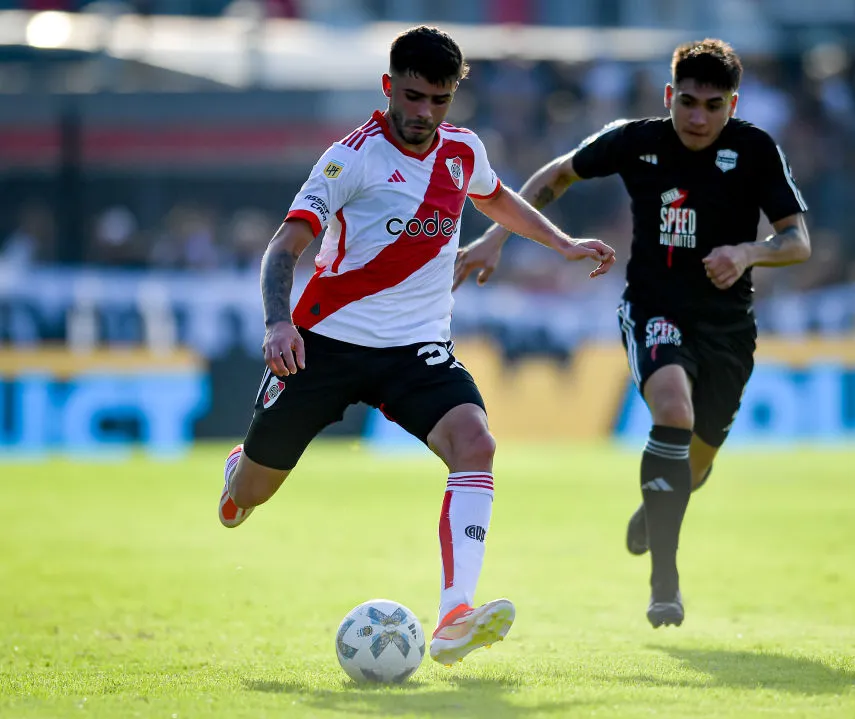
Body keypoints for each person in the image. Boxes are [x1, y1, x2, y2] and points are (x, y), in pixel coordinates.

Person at [217, 25, 615, 665]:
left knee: (475, 442)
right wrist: (276, 323)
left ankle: (455, 613)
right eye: (411, 96)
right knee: (252, 497)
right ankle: (243, 469)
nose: (422, 113)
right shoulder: (350, 159)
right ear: (388, 88)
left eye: (437, 100)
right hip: (324, 343)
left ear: (452, 99)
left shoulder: (462, 151)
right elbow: (283, 247)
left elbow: (497, 199)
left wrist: (562, 243)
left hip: (415, 348)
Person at [454, 39, 811, 628]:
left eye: (712, 106)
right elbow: (558, 174)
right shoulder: (638, 139)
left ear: (733, 105)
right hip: (653, 308)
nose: (698, 118)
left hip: (727, 327)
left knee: (695, 461)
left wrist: (748, 254)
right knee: (672, 410)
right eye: (688, 102)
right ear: (670, 96)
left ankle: (658, 506)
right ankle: (664, 584)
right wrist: (495, 237)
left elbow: (797, 241)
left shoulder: (754, 150)